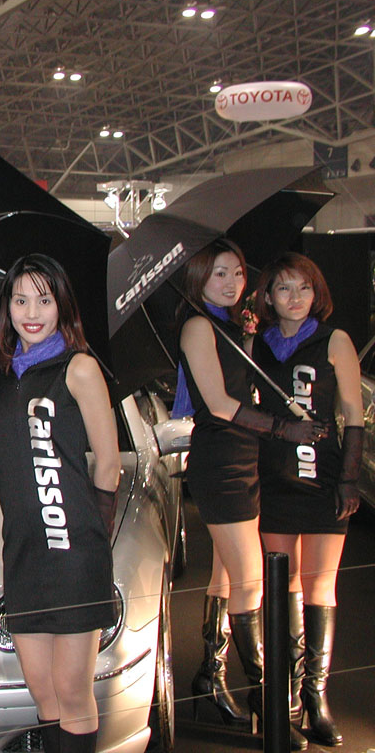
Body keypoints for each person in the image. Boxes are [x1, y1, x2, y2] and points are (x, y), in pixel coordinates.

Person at [174, 239, 327, 745]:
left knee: (225, 576)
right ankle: (268, 699)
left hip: (244, 457)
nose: (231, 282)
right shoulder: (199, 325)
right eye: (219, 273)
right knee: (251, 580)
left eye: (238, 273)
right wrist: (284, 429)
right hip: (221, 463)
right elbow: (218, 403)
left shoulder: (231, 324)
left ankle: (211, 676)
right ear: (200, 277)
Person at [0, 254, 120, 753]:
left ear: (62, 304)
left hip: (73, 552)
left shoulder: (79, 367)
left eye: (43, 300)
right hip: (23, 552)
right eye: (20, 300)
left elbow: (108, 464)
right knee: (42, 691)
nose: (31, 312)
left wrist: (93, 543)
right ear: (7, 307)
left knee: (72, 691)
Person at [250, 252, 361, 747]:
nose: (295, 298)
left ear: (317, 293)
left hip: (324, 480)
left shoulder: (335, 340)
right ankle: (288, 693)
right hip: (274, 480)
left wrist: (349, 479)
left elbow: (353, 415)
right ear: (269, 297)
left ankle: (316, 696)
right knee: (283, 585)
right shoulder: (257, 345)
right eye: (283, 288)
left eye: (304, 288)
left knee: (320, 585)